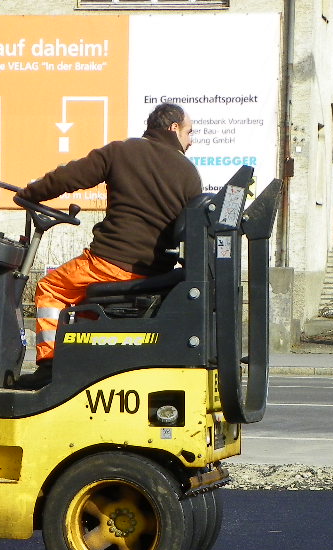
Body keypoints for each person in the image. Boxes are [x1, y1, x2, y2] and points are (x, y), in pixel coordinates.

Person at [13, 102, 201, 387]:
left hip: (109, 263)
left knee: (51, 288)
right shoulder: (189, 174)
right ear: (173, 128)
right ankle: (86, 362)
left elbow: (68, 176)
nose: (191, 140)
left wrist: (30, 193)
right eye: (189, 133)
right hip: (155, 273)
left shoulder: (122, 151)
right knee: (86, 303)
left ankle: (49, 366)